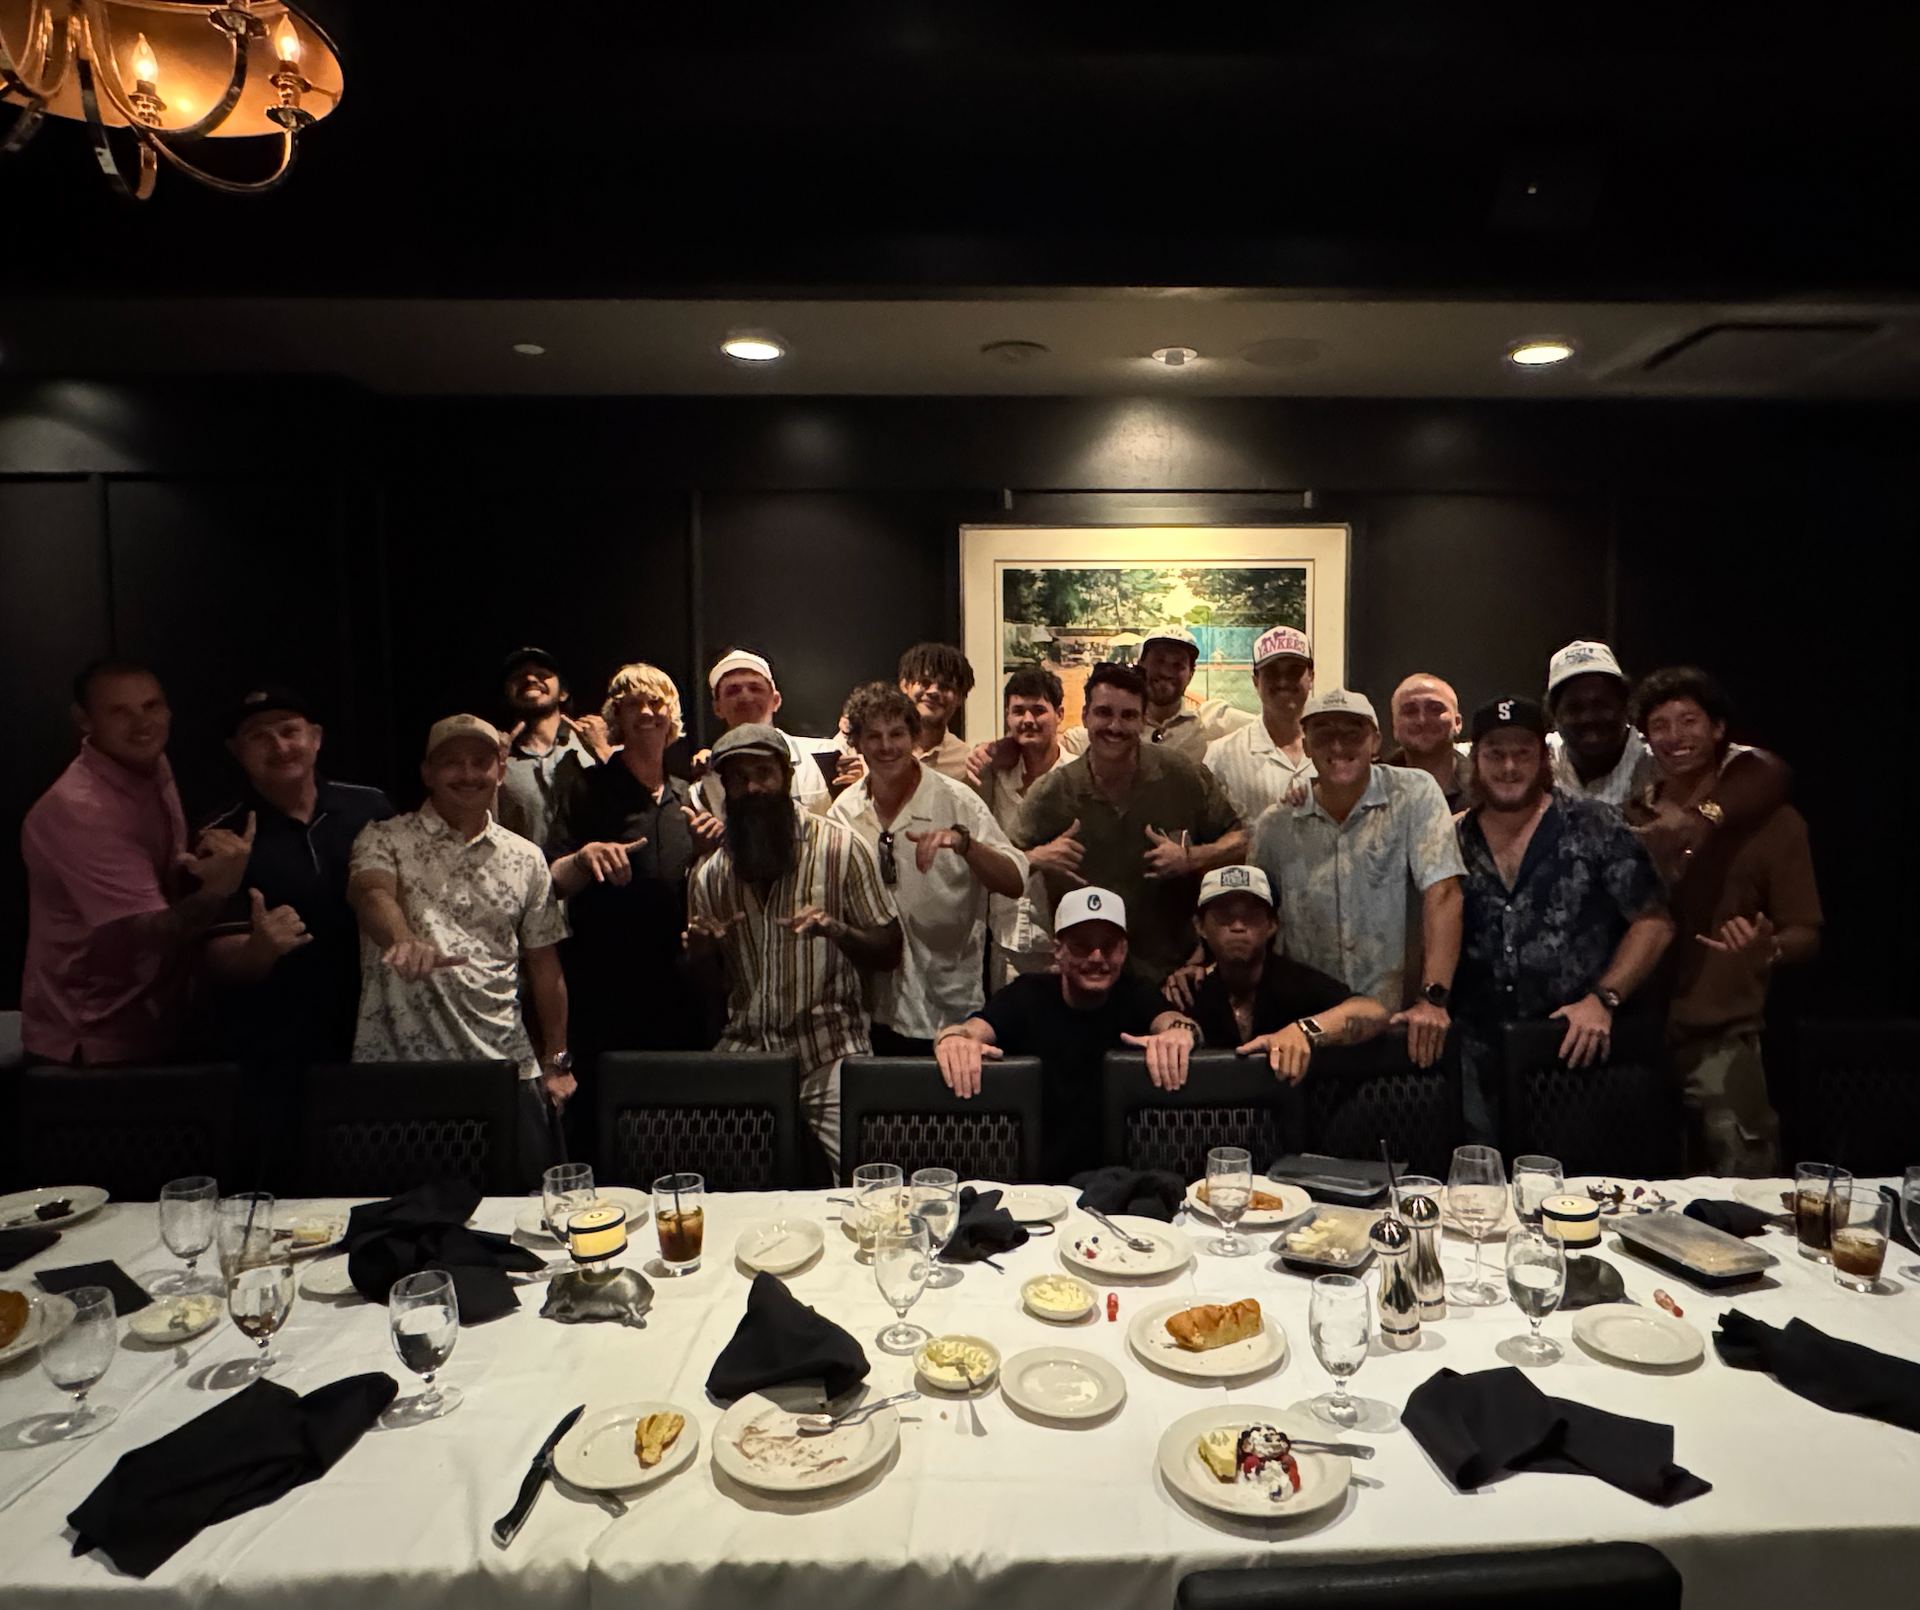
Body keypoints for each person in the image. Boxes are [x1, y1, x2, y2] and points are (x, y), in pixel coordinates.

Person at [347, 714, 573, 1186]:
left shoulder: (527, 858)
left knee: (526, 1224)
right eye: (452, 763)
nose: (468, 774)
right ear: (427, 772)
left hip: (508, 1071)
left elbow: (545, 967)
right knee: (400, 1230)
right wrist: (402, 939)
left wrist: (557, 1062)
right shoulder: (383, 837)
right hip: (400, 1075)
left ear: (500, 769)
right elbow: (371, 893)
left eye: (480, 762)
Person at [1451, 698, 1675, 1142]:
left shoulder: (1594, 824)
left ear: (1544, 758)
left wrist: (1604, 999)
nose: (1509, 767)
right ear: (1476, 760)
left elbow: (1654, 922)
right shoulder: (1452, 836)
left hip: (1572, 1050)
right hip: (1475, 1057)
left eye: (1523, 753)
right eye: (1495, 754)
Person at [686, 723, 902, 1175]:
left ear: (785, 776)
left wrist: (837, 930)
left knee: (872, 1182)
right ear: (723, 788)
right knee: (719, 1185)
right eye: (738, 778)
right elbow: (707, 993)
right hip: (746, 1052)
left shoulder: (841, 847)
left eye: (763, 773)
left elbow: (889, 951)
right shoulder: (710, 876)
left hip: (831, 1050)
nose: (752, 788)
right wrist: (701, 954)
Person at [200, 686, 395, 1181]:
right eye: (258, 736)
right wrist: (259, 950)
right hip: (279, 1053)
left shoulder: (370, 808)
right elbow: (218, 959)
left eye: (290, 731)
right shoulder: (221, 836)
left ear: (316, 737)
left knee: (384, 1177)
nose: (280, 746)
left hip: (375, 1033)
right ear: (235, 750)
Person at [20, 660, 253, 1065]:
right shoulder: (81, 810)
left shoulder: (151, 762)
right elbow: (153, 935)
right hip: (94, 1042)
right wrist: (221, 886)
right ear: (84, 721)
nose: (142, 722)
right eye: (119, 711)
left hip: (157, 1023)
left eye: (151, 706)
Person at [1636, 667, 1820, 1175]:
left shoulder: (1774, 822)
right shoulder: (1631, 818)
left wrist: (1769, 948)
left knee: (1743, 1194)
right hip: (1634, 1037)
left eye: (1689, 721)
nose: (1675, 737)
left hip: (1722, 1042)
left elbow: (1806, 931)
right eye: (1661, 725)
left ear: (1718, 729)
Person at [1247, 687, 1465, 1068]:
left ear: (1375, 741)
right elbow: (1254, 918)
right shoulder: (1275, 826)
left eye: (1352, 733)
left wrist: (1433, 998)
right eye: (1323, 734)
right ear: (1307, 745)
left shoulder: (1413, 794)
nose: (1338, 745)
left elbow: (1443, 890)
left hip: (1401, 1027)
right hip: (1303, 1030)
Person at [933, 888, 1204, 1180]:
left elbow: (1176, 1022)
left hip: (1116, 1180)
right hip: (1032, 1180)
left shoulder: (1135, 993)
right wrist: (953, 1041)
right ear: (1058, 950)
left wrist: (1180, 1034)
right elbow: (969, 1031)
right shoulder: (1026, 994)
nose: (1097, 957)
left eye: (1109, 946)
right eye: (1081, 946)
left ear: (1123, 951)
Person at [546, 664, 721, 1104]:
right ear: (616, 717)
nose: (647, 712)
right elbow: (550, 880)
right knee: (609, 1120)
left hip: (678, 993)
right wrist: (585, 859)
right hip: (605, 990)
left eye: (657, 702)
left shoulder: (688, 796)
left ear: (672, 716)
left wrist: (703, 854)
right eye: (633, 704)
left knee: (679, 1114)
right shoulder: (586, 787)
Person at [1013, 661, 1247, 986]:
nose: (1115, 726)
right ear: (1085, 717)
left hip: (1173, 977)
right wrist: (1037, 857)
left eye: (1128, 716)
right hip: (1087, 976)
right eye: (1104, 713)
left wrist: (1192, 859)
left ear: (1143, 719)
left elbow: (1241, 839)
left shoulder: (1180, 775)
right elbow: (1003, 866)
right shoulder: (1052, 793)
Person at [828, 683, 1026, 1054]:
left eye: (897, 734)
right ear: (856, 742)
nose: (886, 747)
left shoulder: (956, 800)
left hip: (949, 1004)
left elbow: (1015, 880)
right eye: (874, 736)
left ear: (915, 736)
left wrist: (965, 845)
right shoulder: (844, 812)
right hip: (872, 1008)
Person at [1548, 639, 1792, 880]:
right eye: (1574, 708)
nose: (1589, 717)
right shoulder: (1536, 760)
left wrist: (1701, 818)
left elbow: (1766, 768)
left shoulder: (1659, 754)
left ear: (1625, 706)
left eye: (1601, 704)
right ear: (1554, 716)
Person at [1178, 865, 1389, 1082]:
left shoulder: (1294, 981)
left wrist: (1304, 1031)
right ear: (1200, 926)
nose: (1238, 926)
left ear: (1272, 925)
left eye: (1251, 915)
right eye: (1224, 916)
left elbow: (1374, 1011)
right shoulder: (1189, 989)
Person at [968, 667, 1075, 989]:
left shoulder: (1078, 776)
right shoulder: (991, 776)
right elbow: (978, 845)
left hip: (1067, 937)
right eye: (1018, 711)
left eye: (1038, 710)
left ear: (1059, 714)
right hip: (1006, 935)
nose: (1028, 719)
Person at [1062, 624, 1255, 764]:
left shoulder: (1212, 722)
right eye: (1159, 661)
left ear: (1190, 673)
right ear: (1141, 665)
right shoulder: (1118, 727)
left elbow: (1270, 727)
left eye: (1178, 665)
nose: (1166, 672)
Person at [692, 649, 832, 820]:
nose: (745, 696)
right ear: (717, 708)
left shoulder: (825, 755)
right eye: (733, 691)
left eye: (755, 688)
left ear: (776, 700)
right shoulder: (706, 781)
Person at [496, 646, 610, 847]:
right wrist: (488, 764)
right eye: (519, 676)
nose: (531, 679)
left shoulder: (591, 744)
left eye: (543, 674)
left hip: (592, 873)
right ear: (507, 692)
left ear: (563, 692)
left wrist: (604, 751)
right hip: (522, 875)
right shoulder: (497, 756)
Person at [1203, 624, 1316, 819]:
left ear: (1311, 677)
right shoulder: (1222, 755)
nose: (1283, 682)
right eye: (1272, 672)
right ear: (1256, 681)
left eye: (1294, 671)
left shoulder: (1334, 751)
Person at [1382, 672, 1475, 809]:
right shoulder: (1370, 790)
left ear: (1457, 722)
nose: (1422, 720)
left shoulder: (1485, 791)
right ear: (1394, 727)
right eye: (1410, 711)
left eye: (1435, 709)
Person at [896, 642, 976, 781]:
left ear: (961, 698)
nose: (933, 691)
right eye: (925, 682)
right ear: (904, 685)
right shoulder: (882, 749)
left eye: (945, 686)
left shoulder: (968, 764)